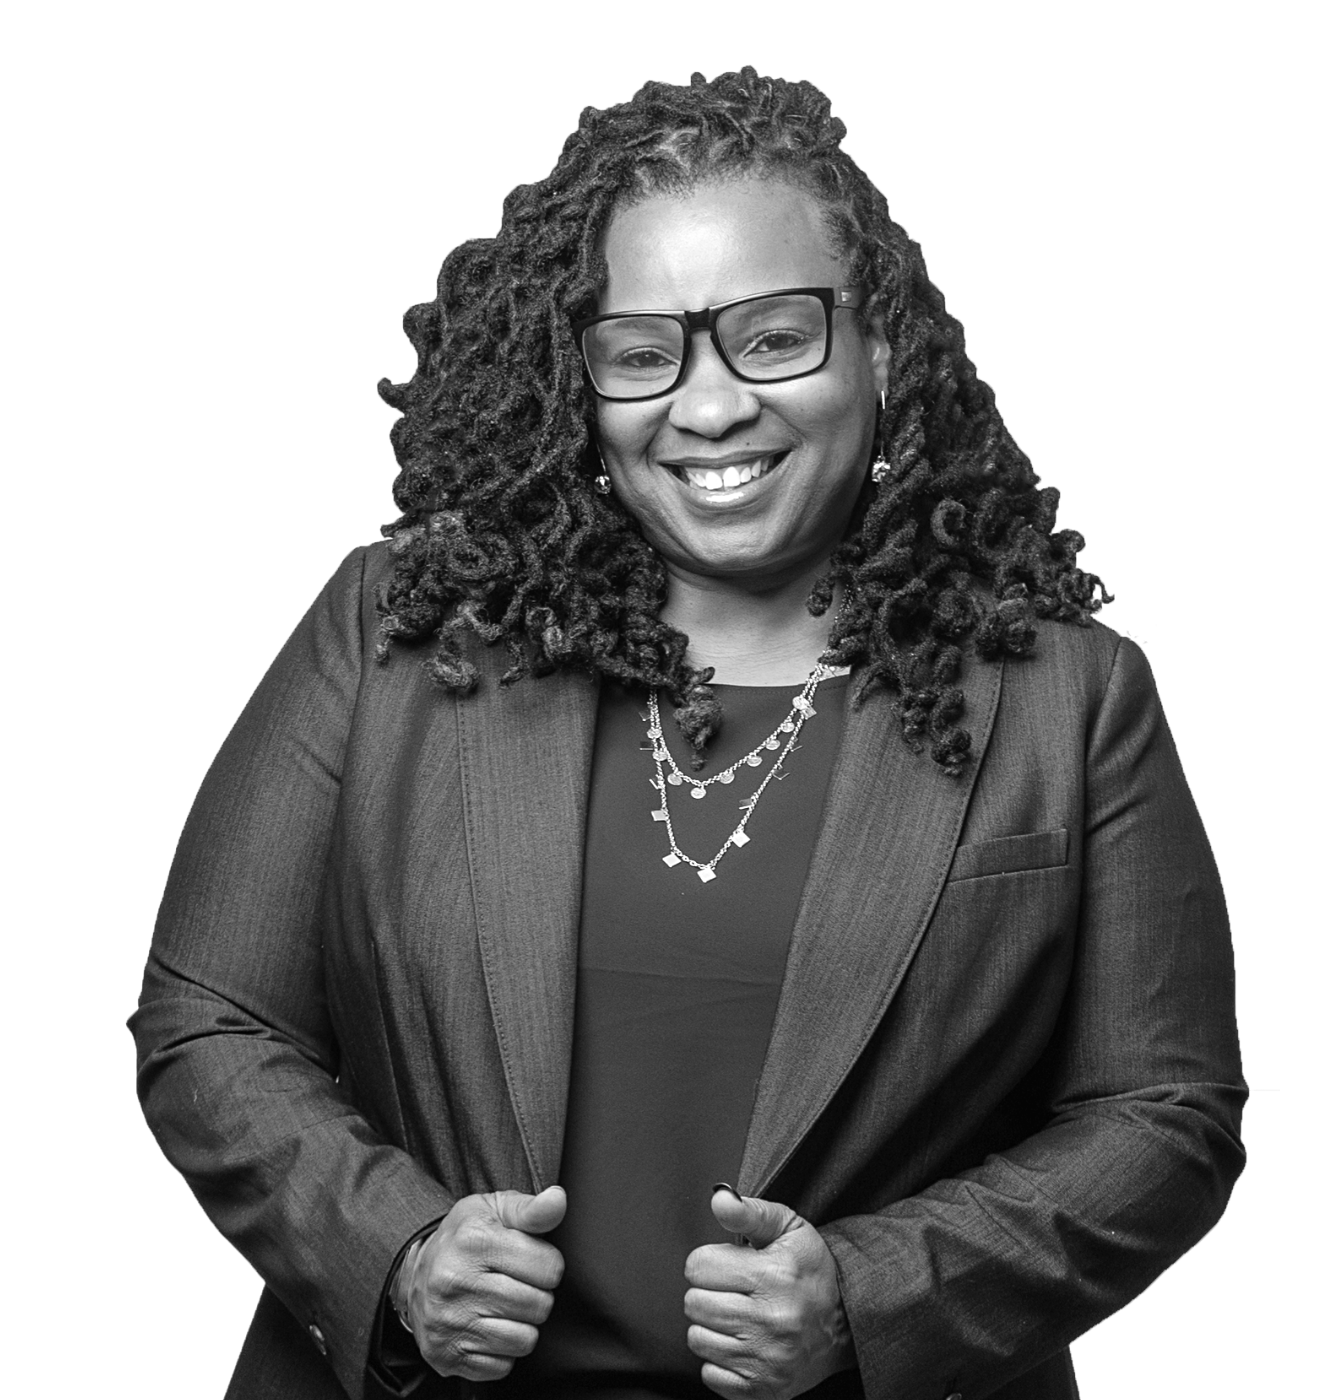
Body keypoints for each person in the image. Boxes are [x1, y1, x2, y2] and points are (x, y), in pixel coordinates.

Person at [130, 68, 1245, 1400]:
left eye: (772, 338)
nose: (709, 408)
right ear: (582, 384)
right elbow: (212, 1019)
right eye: (643, 353)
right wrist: (400, 1252)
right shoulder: (403, 635)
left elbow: (1162, 1114)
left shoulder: (1065, 698)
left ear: (884, 350)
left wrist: (874, 1296)